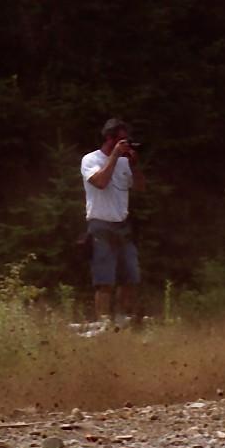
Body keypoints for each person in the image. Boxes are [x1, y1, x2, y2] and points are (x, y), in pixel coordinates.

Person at [80, 118, 146, 329]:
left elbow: (141, 188)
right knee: (104, 279)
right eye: (121, 140)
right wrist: (115, 156)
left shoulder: (126, 163)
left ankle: (124, 320)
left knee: (130, 275)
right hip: (100, 224)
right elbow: (100, 182)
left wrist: (134, 166)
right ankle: (103, 322)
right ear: (109, 139)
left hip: (122, 224)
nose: (125, 144)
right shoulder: (90, 160)